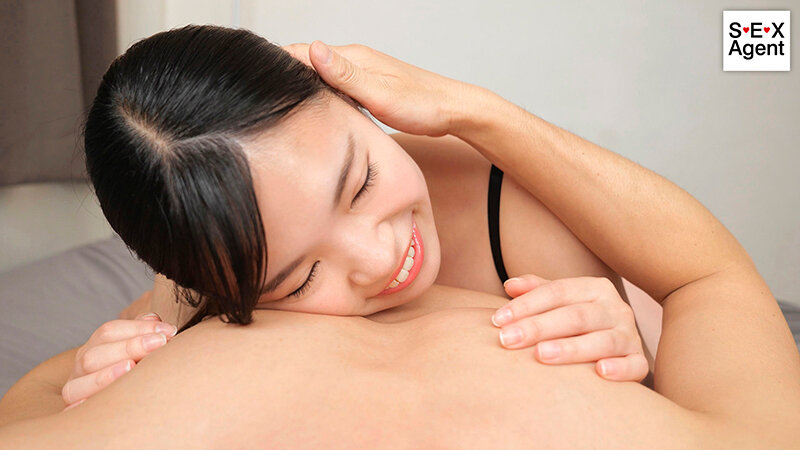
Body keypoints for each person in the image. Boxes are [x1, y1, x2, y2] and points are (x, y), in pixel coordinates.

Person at [1, 26, 798, 445]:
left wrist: (472, 110)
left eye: (360, 183)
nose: (380, 259)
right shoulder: (203, 283)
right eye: (299, 279)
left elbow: (690, 291)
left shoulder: (514, 204)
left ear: (352, 98)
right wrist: (93, 365)